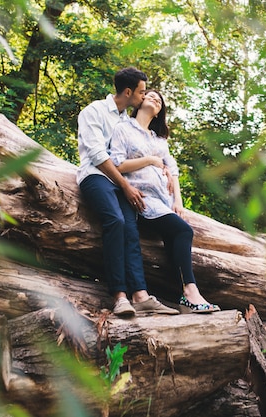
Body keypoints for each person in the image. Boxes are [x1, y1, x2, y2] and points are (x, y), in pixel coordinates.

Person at [77, 68, 179, 317]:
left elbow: (143, 153)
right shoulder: (94, 111)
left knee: (131, 230)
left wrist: (163, 172)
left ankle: (141, 295)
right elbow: (98, 157)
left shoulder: (126, 121)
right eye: (142, 92)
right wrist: (126, 186)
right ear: (128, 92)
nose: (144, 97)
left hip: (122, 182)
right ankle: (119, 296)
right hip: (96, 177)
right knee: (116, 220)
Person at [109, 90, 220, 313]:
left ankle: (187, 298)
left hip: (163, 201)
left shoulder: (159, 140)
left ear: (160, 112)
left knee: (176, 234)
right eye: (150, 96)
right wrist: (150, 160)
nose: (155, 99)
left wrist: (177, 200)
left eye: (159, 100)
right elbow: (117, 164)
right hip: (140, 198)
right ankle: (190, 293)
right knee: (183, 231)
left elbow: (173, 171)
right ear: (139, 102)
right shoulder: (123, 128)